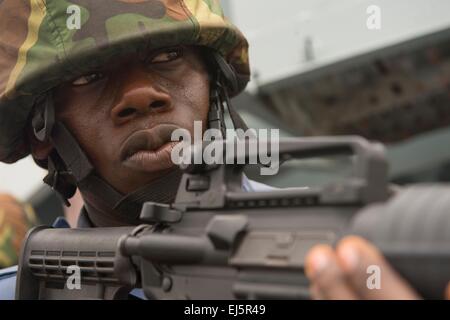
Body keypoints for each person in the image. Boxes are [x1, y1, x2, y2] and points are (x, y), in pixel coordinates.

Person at [0, 0, 447, 300]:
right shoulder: (29, 288)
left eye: (168, 55)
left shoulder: (358, 244)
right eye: (87, 77)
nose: (141, 95)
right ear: (42, 129)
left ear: (214, 83)